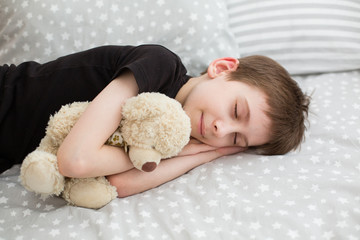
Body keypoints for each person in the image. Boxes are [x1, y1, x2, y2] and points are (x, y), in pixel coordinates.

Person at [0, 45, 310, 197]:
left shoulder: (171, 134)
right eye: (236, 111)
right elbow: (76, 161)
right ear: (222, 67)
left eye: (236, 140)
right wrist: (212, 149)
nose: (222, 129)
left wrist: (206, 153)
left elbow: (118, 183)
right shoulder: (160, 67)